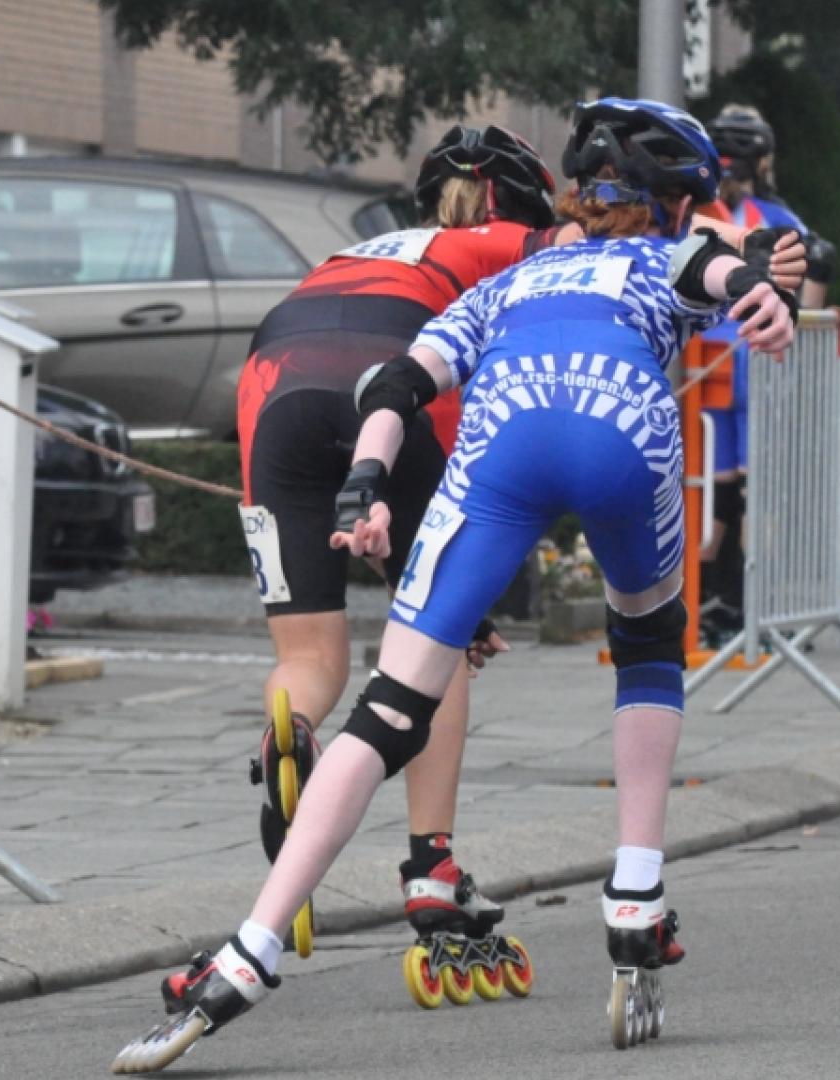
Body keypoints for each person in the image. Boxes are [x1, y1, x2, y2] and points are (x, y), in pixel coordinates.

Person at [114, 97, 800, 1073]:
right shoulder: (664, 256)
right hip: (620, 428)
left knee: (388, 709)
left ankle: (243, 958)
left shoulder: (507, 282)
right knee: (648, 645)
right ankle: (635, 898)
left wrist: (365, 483)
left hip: (494, 442)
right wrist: (763, 292)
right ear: (678, 203)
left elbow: (399, 382)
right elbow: (723, 269)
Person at [233, 124, 562, 953]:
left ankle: (293, 733)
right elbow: (603, 247)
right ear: (514, 204)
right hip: (387, 367)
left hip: (273, 384)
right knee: (434, 639)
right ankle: (431, 864)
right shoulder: (503, 242)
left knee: (309, 657)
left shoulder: (361, 246)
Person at [692, 104, 827, 645]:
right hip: (759, 360)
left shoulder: (697, 214)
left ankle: (707, 605)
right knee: (758, 491)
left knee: (714, 490)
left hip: (706, 363)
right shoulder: (772, 216)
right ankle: (750, 606)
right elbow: (815, 269)